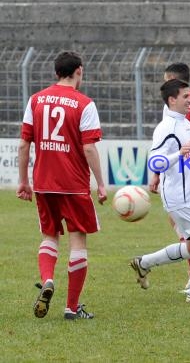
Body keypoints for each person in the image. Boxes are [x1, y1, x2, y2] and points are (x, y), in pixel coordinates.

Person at [17, 51, 107, 320]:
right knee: (78, 239)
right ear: (79, 70)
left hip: (44, 182)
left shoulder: (36, 100)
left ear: (56, 73)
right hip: (74, 184)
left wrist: (23, 181)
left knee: (49, 236)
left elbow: (24, 144)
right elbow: (89, 148)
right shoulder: (84, 104)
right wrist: (101, 183)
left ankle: (47, 280)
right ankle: (71, 307)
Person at [129, 79, 190, 303]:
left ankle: (144, 263)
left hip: (189, 193)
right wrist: (178, 154)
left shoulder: (183, 123)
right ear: (172, 99)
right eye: (186, 96)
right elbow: (155, 162)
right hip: (181, 195)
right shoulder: (167, 127)